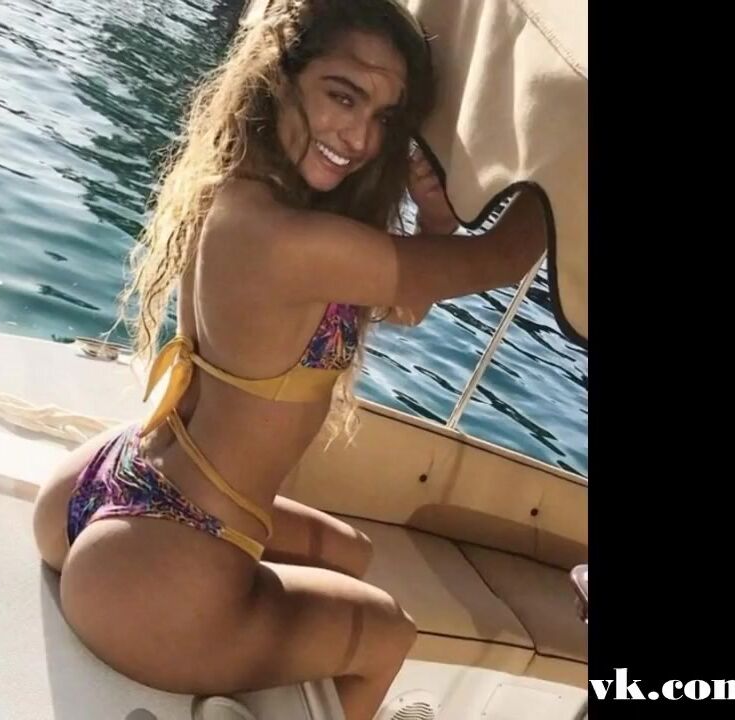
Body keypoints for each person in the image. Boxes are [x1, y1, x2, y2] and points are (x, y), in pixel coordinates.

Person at [31, 1, 547, 718]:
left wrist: (435, 218)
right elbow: (504, 257)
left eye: (386, 117)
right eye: (344, 96)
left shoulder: (241, 189)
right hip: (154, 570)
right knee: (389, 634)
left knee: (351, 553)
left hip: (101, 485)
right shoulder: (295, 244)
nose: (362, 138)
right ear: (280, 75)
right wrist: (565, 151)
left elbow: (405, 302)